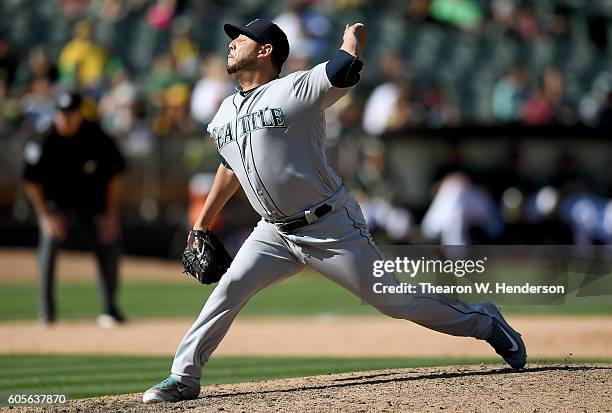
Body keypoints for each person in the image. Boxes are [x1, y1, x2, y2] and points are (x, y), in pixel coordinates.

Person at [143, 19, 527, 403]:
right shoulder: (225, 110)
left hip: (328, 224)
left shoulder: (295, 88)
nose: (231, 45)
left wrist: (352, 40)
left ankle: (485, 321)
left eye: (240, 40)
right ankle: (184, 377)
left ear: (265, 51)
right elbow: (230, 168)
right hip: (274, 232)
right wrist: (202, 221)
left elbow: (343, 70)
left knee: (395, 300)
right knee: (228, 291)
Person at [23, 91, 127, 327]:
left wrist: (111, 215)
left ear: (80, 114)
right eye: (61, 113)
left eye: (70, 114)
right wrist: (44, 215)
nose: (65, 118)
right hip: (56, 206)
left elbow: (115, 176)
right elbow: (31, 180)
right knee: (48, 242)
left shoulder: (96, 136)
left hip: (92, 206)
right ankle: (46, 312)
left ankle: (110, 308)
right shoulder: (44, 138)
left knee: (109, 240)